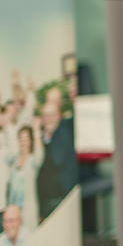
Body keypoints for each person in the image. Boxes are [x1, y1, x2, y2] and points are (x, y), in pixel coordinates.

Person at [33, 86, 74, 220]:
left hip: (63, 197)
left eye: (52, 115)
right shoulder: (39, 138)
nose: (48, 119)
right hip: (44, 200)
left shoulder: (66, 130)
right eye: (45, 116)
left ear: (59, 116)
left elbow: (57, 159)